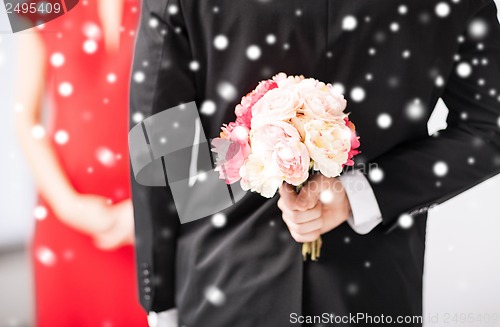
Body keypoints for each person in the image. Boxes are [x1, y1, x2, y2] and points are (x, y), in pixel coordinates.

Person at [129, 0, 500, 326]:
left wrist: (161, 299)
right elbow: (489, 130)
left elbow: (163, 145)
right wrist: (360, 192)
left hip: (226, 283)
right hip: (374, 293)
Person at [15, 0, 147, 325]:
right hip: (67, 216)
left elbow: (187, 104)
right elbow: (24, 118)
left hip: (148, 213)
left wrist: (153, 211)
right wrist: (67, 205)